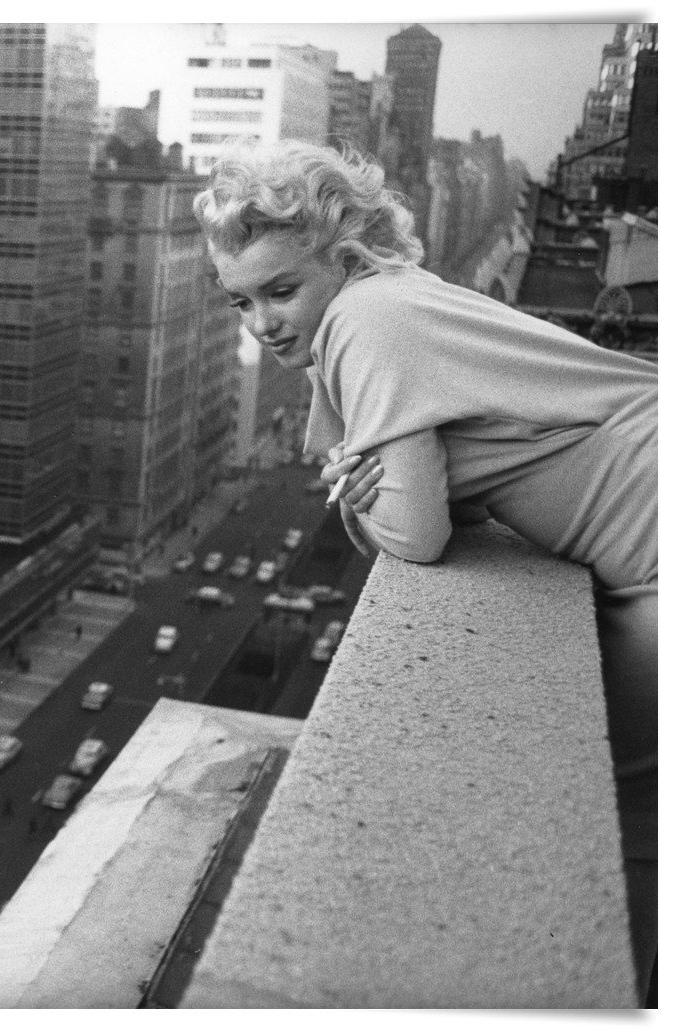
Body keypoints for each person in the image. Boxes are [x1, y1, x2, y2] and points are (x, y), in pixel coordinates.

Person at [194, 139, 657, 998]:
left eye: (281, 290)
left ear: (344, 259)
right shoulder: (385, 306)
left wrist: (356, 486)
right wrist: (380, 487)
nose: (260, 323)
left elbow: (415, 535)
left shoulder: (370, 322)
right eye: (240, 301)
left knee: (619, 832)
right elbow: (442, 508)